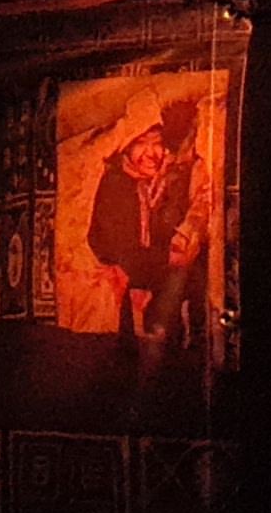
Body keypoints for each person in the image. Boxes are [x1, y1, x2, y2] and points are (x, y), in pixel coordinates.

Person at [86, 96, 207, 344]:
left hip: (144, 266)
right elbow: (122, 252)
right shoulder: (116, 184)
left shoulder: (153, 183)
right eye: (141, 144)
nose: (152, 153)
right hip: (122, 271)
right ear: (126, 148)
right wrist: (169, 259)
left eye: (158, 144)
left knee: (195, 275)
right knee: (183, 276)